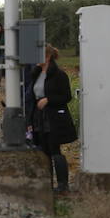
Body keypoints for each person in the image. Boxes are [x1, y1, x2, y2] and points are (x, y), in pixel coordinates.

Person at [26, 44, 77, 194]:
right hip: (39, 118)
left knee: (55, 150)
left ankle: (63, 185)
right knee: (43, 151)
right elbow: (33, 99)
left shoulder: (59, 75)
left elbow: (66, 96)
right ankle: (47, 184)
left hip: (54, 118)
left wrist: (49, 99)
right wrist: (29, 121)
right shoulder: (36, 74)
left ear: (47, 57)